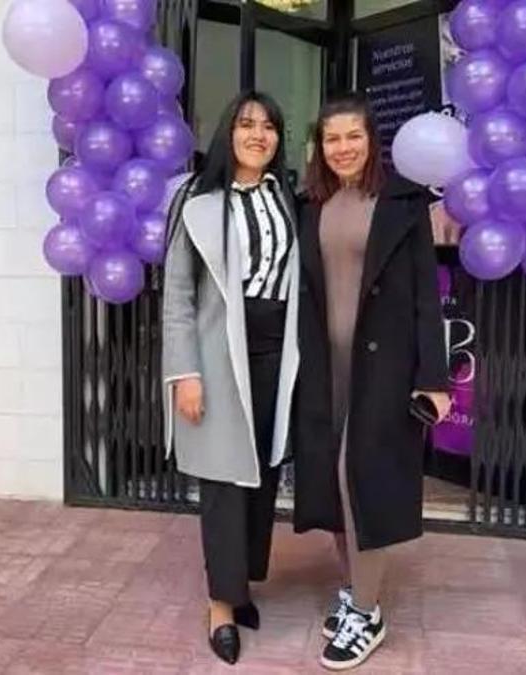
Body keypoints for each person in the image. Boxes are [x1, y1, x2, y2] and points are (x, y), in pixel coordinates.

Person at [292, 94, 451, 671]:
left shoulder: (402, 204)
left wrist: (434, 377)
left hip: (383, 369)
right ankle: (358, 588)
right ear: (320, 146)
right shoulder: (310, 204)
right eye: (332, 139)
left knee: (360, 478)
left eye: (352, 136)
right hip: (323, 369)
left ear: (371, 139)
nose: (343, 148)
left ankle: (366, 611)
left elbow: (426, 302)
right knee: (334, 486)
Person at [160, 91, 300, 666]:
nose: (258, 135)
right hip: (219, 359)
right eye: (246, 124)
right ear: (228, 133)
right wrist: (184, 374)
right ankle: (221, 605)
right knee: (222, 483)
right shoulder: (196, 201)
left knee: (261, 474)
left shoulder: (287, 198)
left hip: (276, 354)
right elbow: (177, 298)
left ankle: (242, 586)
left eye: (269, 126)